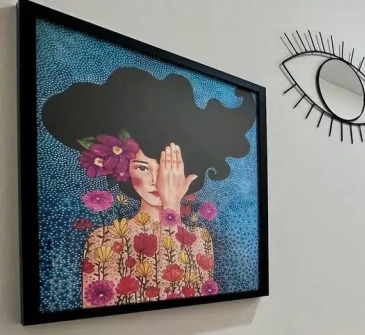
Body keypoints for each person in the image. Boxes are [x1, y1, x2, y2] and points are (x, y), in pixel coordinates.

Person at [42, 67, 256, 307]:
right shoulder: (102, 240)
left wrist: (171, 206)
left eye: (167, 168)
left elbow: (183, 298)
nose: (157, 180)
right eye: (143, 167)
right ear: (126, 170)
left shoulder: (200, 238)